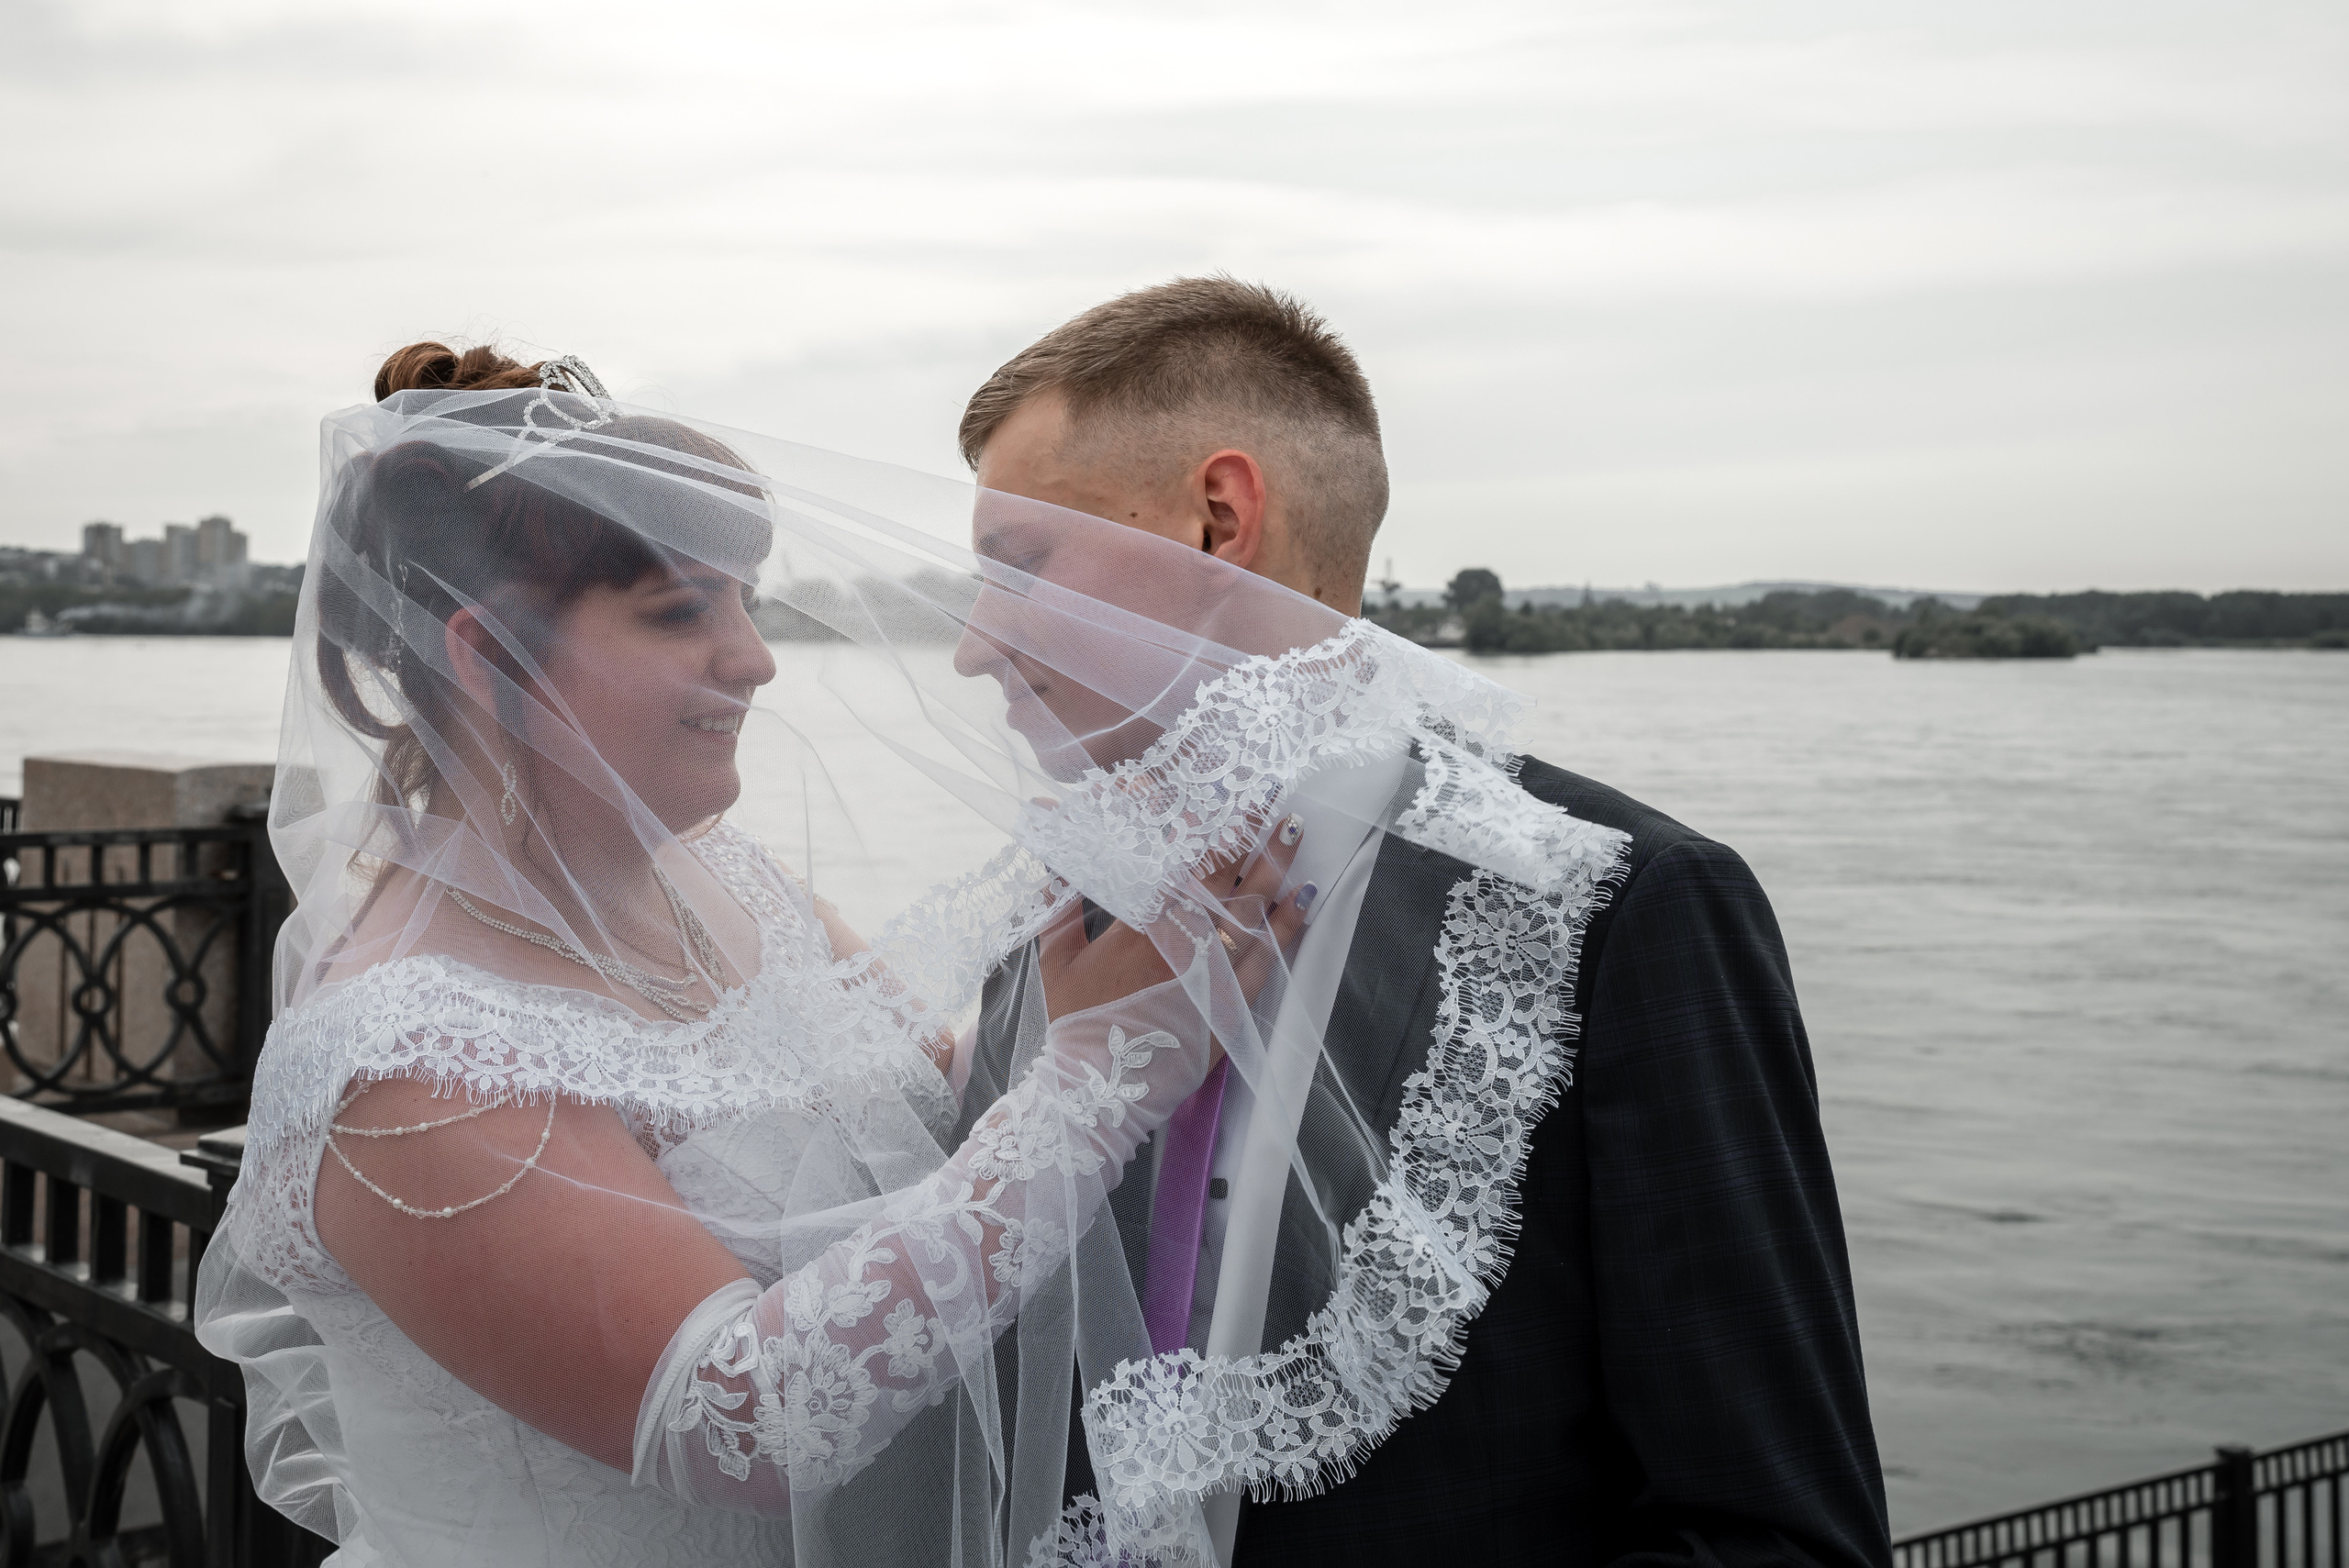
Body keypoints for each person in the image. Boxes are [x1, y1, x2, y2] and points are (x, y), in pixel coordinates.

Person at [195, 342, 1324, 1567]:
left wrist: (1070, 1003)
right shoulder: (403, 1058)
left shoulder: (731, 883)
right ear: (483, 655)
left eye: (745, 598)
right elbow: (738, 1417)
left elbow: (923, 1121)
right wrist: (1095, 1078)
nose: (756, 656)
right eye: (685, 611)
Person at [951, 278, 1894, 1568]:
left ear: (1218, 521)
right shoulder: (1038, 944)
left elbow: (1769, 1538)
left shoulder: (1625, 916)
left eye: (1019, 564)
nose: (970, 647)